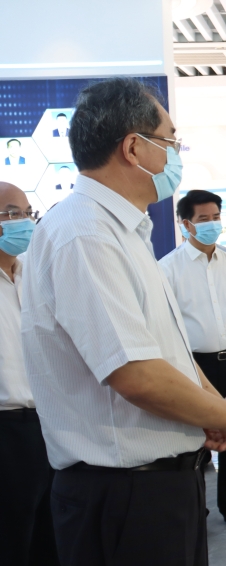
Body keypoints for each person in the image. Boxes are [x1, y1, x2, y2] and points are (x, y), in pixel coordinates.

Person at [21, 77, 226, 566]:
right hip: (124, 497)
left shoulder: (125, 230)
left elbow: (165, 352)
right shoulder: (85, 234)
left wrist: (211, 410)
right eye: (170, 141)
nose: (176, 155)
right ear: (133, 148)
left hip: (159, 486)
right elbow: (136, 375)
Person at [159, 190, 226, 527]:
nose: (211, 224)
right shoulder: (167, 268)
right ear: (186, 224)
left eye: (216, 217)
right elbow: (166, 328)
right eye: (203, 219)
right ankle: (195, 509)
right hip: (193, 367)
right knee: (195, 440)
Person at [0, 183, 59, 566]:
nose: (22, 221)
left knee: (49, 534)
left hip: (47, 422)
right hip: (6, 430)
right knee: (11, 538)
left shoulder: (31, 275)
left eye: (26, 212)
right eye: (11, 213)